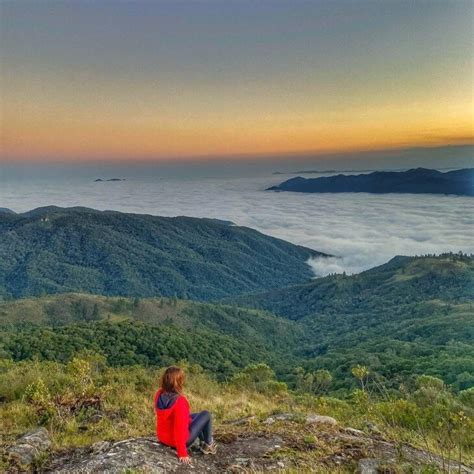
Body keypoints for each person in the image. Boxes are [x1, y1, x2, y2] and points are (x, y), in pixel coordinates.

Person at [154, 366, 217, 464]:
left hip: (163, 437)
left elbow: (168, 419)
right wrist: (182, 453)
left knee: (194, 416)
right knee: (206, 414)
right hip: (177, 441)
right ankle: (208, 445)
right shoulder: (180, 401)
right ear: (178, 382)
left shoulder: (159, 394)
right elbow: (179, 429)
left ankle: (202, 441)